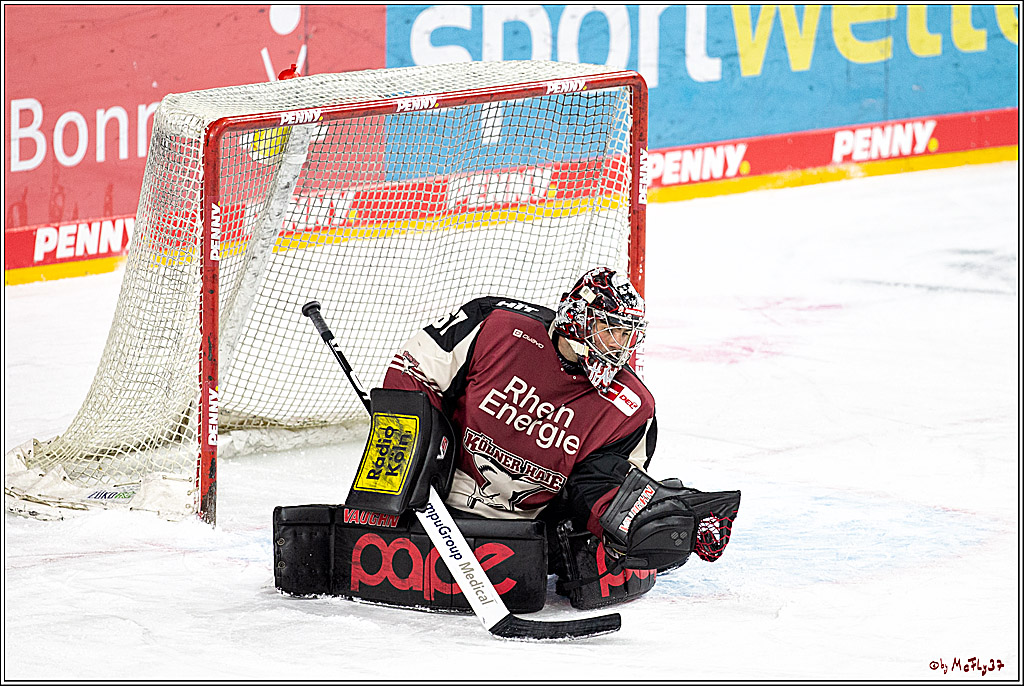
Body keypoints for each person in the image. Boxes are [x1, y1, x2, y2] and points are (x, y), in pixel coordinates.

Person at [382, 267, 658, 544]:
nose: (617, 346)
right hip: (437, 507)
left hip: (533, 535)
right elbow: (410, 371)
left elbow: (608, 489)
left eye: (626, 334)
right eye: (609, 330)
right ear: (579, 319)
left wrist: (654, 527)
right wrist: (414, 465)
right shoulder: (495, 325)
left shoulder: (632, 407)